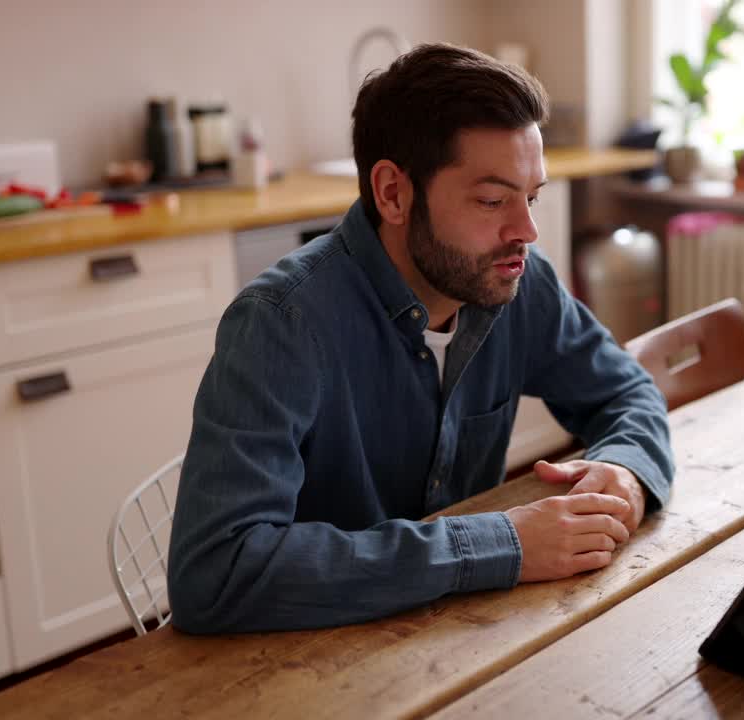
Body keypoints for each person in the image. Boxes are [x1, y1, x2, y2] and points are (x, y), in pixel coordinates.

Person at [166, 43, 674, 634]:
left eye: (530, 197)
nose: (527, 231)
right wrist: (500, 542)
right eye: (492, 200)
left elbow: (628, 392)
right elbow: (215, 574)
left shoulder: (516, 281)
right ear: (393, 194)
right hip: (309, 659)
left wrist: (625, 474)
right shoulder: (280, 324)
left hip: (463, 640)